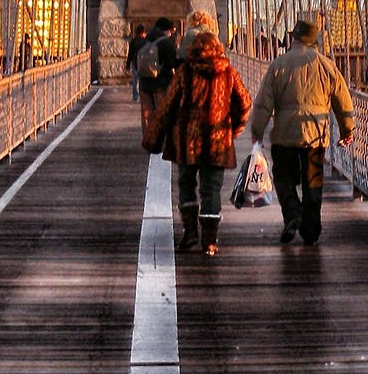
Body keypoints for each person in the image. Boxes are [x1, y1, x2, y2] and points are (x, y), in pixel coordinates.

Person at [248, 14, 354, 245]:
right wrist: (347, 130)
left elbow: (264, 103)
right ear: (314, 40)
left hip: (285, 134)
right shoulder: (327, 66)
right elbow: (343, 102)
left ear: (293, 38)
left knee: (283, 177)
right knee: (313, 181)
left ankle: (293, 213)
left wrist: (257, 131)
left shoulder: (278, 65)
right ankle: (311, 231)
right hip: (316, 135)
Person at [157, 16, 251, 256]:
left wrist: (154, 138)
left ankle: (190, 235)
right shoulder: (227, 71)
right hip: (217, 141)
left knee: (187, 184)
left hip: (187, 140)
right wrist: (235, 128)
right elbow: (245, 103)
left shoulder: (185, 70)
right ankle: (210, 241)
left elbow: (167, 106)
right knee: (211, 189)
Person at [136, 17, 178, 148]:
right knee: (162, 112)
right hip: (161, 84)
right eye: (170, 31)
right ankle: (162, 141)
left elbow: (135, 61)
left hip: (144, 83)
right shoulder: (166, 43)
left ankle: (149, 141)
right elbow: (172, 63)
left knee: (147, 113)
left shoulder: (143, 41)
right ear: (166, 30)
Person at [126, 22, 149, 101]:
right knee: (143, 80)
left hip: (135, 62)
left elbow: (130, 54)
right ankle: (143, 96)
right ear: (143, 32)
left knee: (135, 80)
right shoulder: (146, 42)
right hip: (144, 64)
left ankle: (135, 96)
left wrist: (128, 65)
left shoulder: (133, 41)